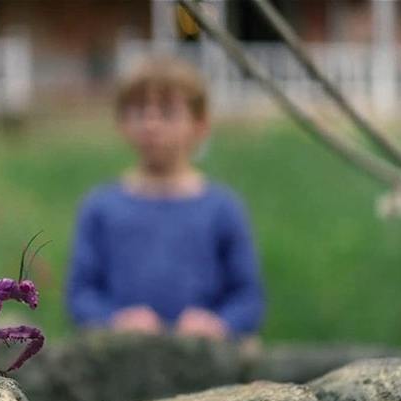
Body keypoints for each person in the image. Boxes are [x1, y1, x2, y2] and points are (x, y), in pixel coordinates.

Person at [66, 54, 264, 341]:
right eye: (140, 111)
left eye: (167, 112)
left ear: (200, 125)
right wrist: (113, 320)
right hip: (121, 360)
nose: (151, 123)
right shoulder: (100, 208)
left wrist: (219, 324)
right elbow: (80, 295)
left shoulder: (222, 209)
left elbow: (248, 299)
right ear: (122, 122)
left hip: (205, 363)